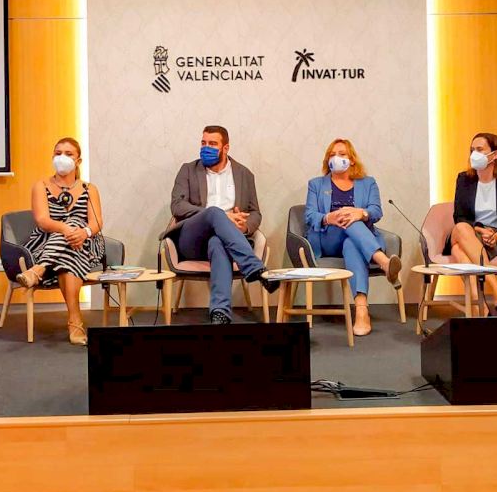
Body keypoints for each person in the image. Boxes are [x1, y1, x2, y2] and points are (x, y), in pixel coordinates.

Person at [164, 125, 278, 324]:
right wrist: (220, 215)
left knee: (217, 242)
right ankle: (254, 267)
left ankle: (220, 313)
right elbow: (177, 206)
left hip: (227, 240)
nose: (206, 148)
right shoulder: (188, 170)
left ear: (225, 148)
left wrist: (244, 227)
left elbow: (255, 212)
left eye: (212, 144)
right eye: (203, 143)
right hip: (192, 240)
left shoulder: (244, 174)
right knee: (215, 212)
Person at [303, 139, 401, 337]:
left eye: (342, 154)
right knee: (349, 218)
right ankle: (383, 262)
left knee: (351, 241)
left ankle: (361, 310)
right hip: (328, 239)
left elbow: (376, 211)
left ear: (352, 159)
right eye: (332, 154)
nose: (336, 158)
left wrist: (361, 213)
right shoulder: (316, 184)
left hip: (356, 241)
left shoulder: (368, 183)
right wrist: (328, 217)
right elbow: (309, 215)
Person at [16, 138, 105, 345]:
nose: (62, 157)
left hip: (85, 243)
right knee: (70, 234)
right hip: (47, 241)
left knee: (75, 227)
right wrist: (66, 229)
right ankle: (75, 321)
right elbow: (42, 220)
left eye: (68, 153)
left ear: (78, 161)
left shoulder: (89, 188)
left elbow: (97, 222)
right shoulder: (41, 186)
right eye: (58, 153)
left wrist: (83, 232)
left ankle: (39, 269)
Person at [448, 132, 497, 314]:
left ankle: (480, 307)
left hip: (496, 241)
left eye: (479, 149)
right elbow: (459, 216)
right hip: (470, 232)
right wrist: (479, 230)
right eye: (472, 150)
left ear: (495, 154)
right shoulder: (464, 180)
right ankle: (494, 284)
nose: (474, 155)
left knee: (457, 250)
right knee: (460, 228)